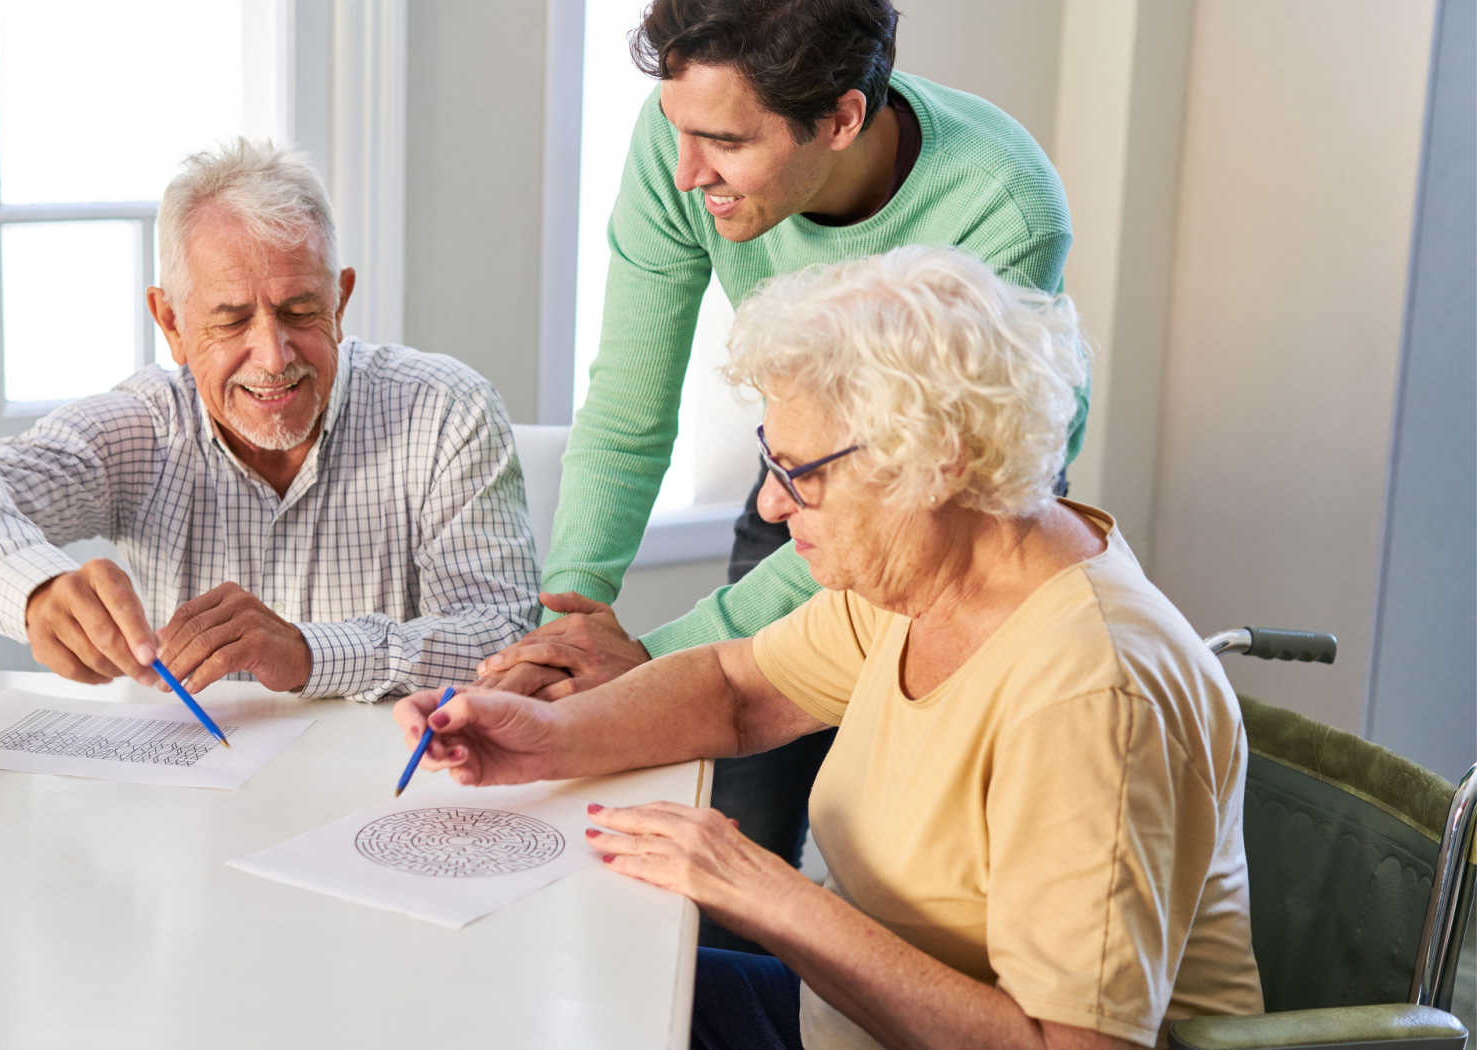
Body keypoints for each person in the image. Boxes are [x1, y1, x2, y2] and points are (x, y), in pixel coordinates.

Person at [399, 246, 1262, 1049]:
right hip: (843, 1021)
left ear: (937, 461)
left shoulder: (1089, 690)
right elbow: (739, 690)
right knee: (550, 994)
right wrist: (544, 737)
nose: (773, 509)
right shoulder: (928, 573)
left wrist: (764, 895)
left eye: (802, 475)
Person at [482, 0, 1086, 944]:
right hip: (809, 486)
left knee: (896, 867)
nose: (687, 173)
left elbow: (914, 511)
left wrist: (650, 658)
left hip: (943, 530)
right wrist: (568, 630)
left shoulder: (1000, 206)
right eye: (677, 130)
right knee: (729, 837)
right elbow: (631, 408)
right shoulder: (686, 139)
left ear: (842, 118)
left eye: (723, 143)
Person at [0, 139, 538, 703]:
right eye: (231, 319)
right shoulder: (146, 425)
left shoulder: (447, 410)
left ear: (340, 302)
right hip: (188, 806)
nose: (273, 356)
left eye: (300, 310)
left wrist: (308, 653)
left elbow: (507, 636)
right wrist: (35, 590)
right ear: (170, 322)